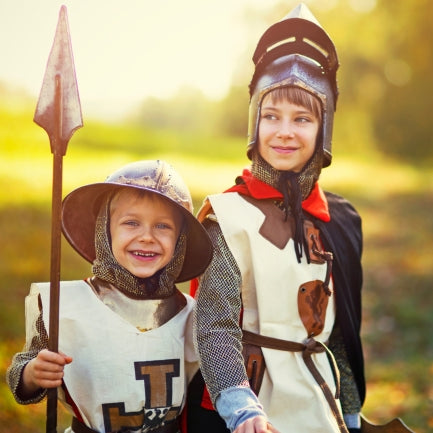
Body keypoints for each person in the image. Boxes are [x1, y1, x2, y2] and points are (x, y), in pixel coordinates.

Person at [187, 4, 365, 433]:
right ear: (255, 123)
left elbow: (338, 331)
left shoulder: (338, 219)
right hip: (244, 405)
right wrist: (240, 408)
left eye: (302, 119)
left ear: (323, 129)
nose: (285, 131)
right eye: (272, 116)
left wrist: (352, 411)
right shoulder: (226, 218)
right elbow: (215, 328)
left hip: (317, 399)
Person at [6, 159, 213, 433]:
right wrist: (32, 373)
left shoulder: (191, 314)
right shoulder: (67, 305)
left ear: (180, 241)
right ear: (106, 230)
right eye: (131, 223)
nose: (147, 237)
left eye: (162, 226)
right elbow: (20, 372)